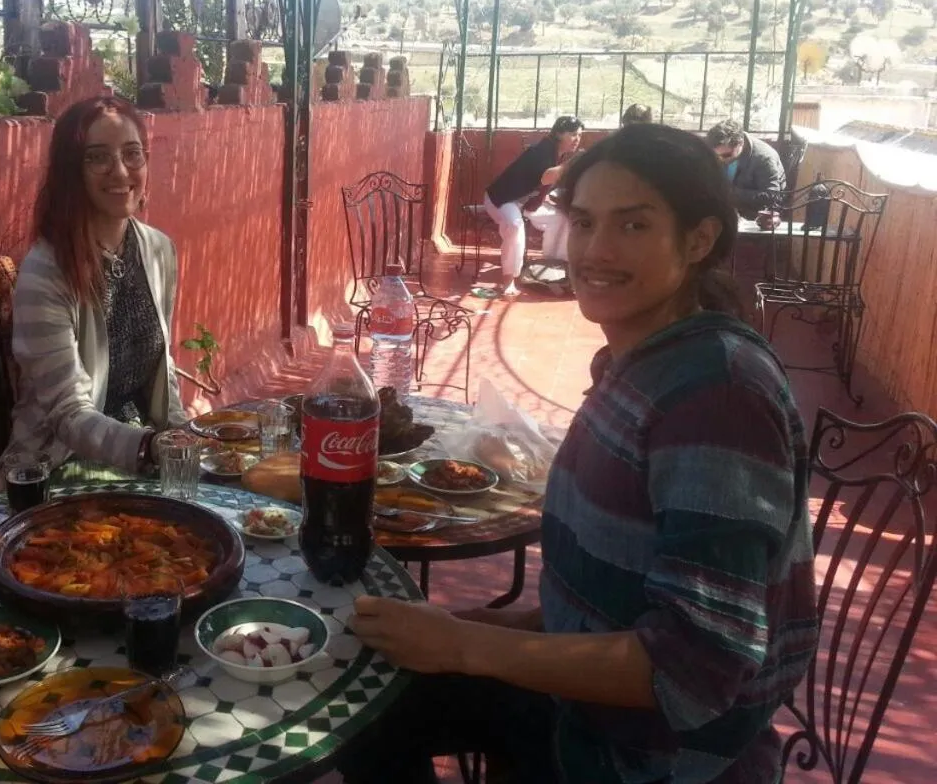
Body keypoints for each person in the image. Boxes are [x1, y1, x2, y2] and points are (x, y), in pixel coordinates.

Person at [339, 123, 817, 784]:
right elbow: (606, 599)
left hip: (648, 759)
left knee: (368, 714)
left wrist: (467, 645)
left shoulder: (715, 397)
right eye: (585, 223)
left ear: (699, 239)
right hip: (591, 711)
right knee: (369, 691)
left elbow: (693, 669)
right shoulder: (644, 364)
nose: (595, 250)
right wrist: (477, 630)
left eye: (633, 226)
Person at [0, 95, 187, 491]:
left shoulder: (158, 250)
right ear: (72, 172)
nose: (120, 171)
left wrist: (186, 441)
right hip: (59, 468)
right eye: (97, 157)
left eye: (132, 154)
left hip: (143, 456)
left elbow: (161, 370)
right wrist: (151, 447)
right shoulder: (46, 271)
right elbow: (68, 414)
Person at [483, 116, 584, 294]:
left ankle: (554, 265)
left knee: (561, 217)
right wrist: (574, 163)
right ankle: (509, 281)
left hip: (525, 201)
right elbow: (546, 177)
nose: (577, 139)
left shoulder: (555, 153)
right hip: (502, 199)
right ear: (559, 133)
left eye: (579, 135)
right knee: (514, 225)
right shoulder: (542, 151)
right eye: (573, 134)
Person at [705, 119, 786, 220]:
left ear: (741, 143)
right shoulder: (716, 151)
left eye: (726, 155)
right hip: (725, 211)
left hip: (756, 216)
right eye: (716, 156)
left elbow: (772, 196)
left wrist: (729, 194)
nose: (721, 159)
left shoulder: (764, 157)